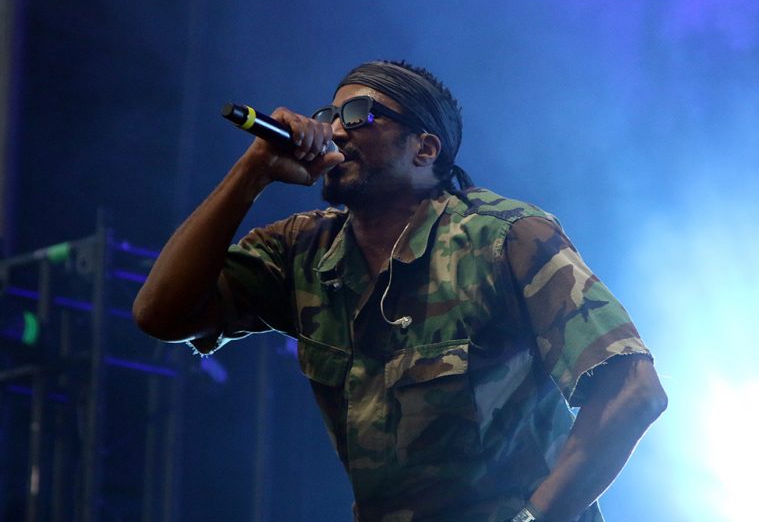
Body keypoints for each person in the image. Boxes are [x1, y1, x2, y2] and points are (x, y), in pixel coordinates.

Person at [133, 60, 667, 522]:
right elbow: (161, 315)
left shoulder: (504, 236)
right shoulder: (303, 250)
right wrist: (253, 171)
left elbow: (632, 391)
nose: (335, 131)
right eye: (328, 116)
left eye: (359, 114)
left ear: (425, 148)